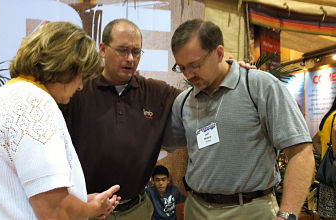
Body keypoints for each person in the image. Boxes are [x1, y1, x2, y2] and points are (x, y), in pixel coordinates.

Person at [59, 18, 254, 220]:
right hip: (86, 211)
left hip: (136, 210)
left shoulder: (156, 93)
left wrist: (229, 72)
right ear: (103, 49)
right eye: (122, 50)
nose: (130, 59)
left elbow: (201, 94)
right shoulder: (77, 90)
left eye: (136, 52)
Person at [0, 21, 120, 220]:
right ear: (64, 68)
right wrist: (93, 209)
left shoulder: (6, 95)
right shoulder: (35, 105)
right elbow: (53, 211)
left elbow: (19, 194)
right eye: (80, 75)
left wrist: (82, 202)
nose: (80, 86)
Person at [164, 19, 314, 220]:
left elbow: (301, 152)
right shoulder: (183, 102)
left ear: (218, 53)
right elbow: (162, 143)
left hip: (250, 210)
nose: (189, 74)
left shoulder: (259, 86)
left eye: (195, 65)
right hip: (197, 210)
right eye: (181, 68)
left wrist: (287, 215)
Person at [312, 96, 336, 220]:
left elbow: (315, 141)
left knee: (327, 214)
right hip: (334, 176)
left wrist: (325, 157)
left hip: (326, 173)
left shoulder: (328, 117)